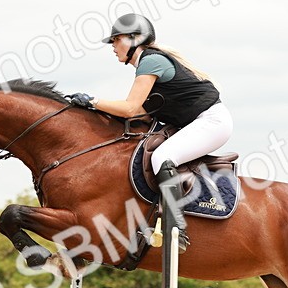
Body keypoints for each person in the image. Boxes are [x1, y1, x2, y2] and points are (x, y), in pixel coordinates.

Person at [66, 13, 233, 246]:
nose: (113, 46)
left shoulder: (151, 61)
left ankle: (176, 229)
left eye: (116, 39)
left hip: (212, 122)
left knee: (163, 157)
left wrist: (92, 101)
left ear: (135, 39)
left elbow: (130, 108)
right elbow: (139, 112)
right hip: (199, 122)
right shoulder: (148, 63)